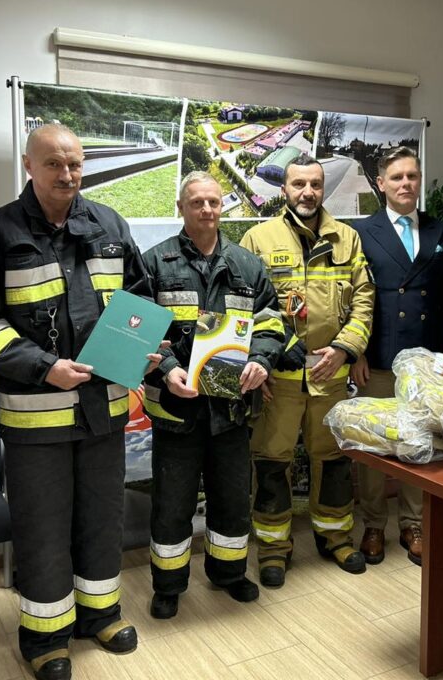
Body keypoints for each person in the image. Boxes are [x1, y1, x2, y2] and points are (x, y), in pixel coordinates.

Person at [0, 124, 157, 680]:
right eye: (53, 164)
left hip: (104, 410)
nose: (67, 174)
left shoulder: (110, 225)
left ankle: (101, 615)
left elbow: (138, 303)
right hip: (35, 418)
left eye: (75, 164)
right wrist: (45, 368)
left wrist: (144, 351)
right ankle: (45, 638)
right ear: (29, 165)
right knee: (42, 527)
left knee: (103, 517)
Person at [141, 172, 284, 619]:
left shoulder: (247, 265)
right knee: (172, 504)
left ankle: (229, 573)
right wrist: (167, 369)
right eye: (197, 202)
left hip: (231, 408)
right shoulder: (154, 263)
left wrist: (261, 360)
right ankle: (168, 586)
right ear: (181, 208)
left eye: (214, 202)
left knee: (232, 499)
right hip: (176, 409)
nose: (206, 209)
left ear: (223, 207)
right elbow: (138, 329)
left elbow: (271, 323)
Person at [240, 154, 375, 588]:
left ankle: (336, 537)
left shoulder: (347, 239)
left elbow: (364, 300)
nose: (308, 192)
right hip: (278, 380)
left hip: (330, 376)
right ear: (284, 189)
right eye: (299, 184)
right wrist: (262, 363)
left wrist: (345, 349)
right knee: (271, 463)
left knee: (334, 461)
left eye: (315, 184)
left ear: (323, 188)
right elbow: (245, 306)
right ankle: (273, 548)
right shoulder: (258, 239)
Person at [351, 146, 443, 566]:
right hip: (379, 353)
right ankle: (374, 524)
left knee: (419, 441)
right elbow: (355, 298)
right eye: (397, 177)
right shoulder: (363, 231)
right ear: (381, 184)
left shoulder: (438, 230)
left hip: (425, 357)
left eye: (412, 176)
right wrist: (356, 352)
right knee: (376, 443)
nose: (405, 184)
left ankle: (413, 523)